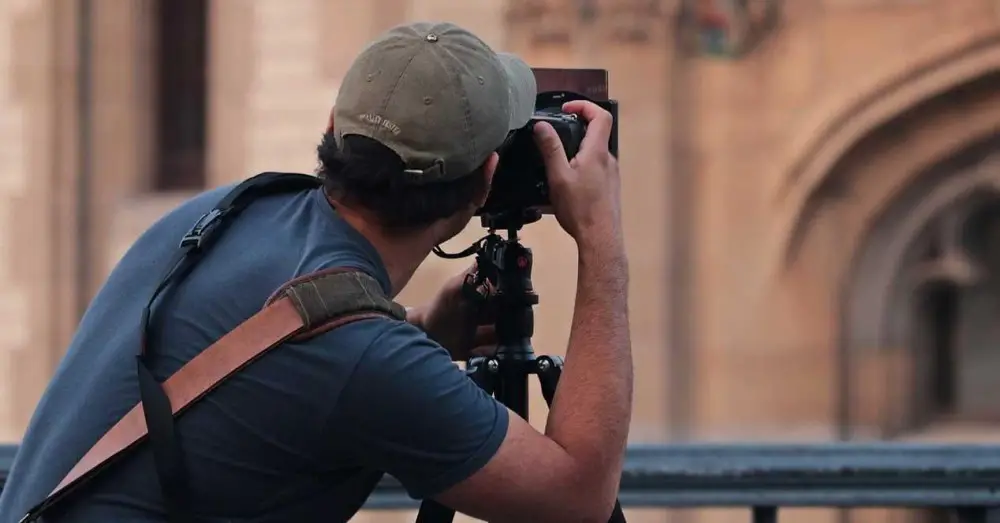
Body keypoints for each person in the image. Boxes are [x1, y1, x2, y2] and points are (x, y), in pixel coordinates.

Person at [0, 21, 631, 523]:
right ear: (486, 181)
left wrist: (423, 334)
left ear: (332, 128)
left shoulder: (224, 211)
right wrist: (601, 245)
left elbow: (287, 373)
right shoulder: (361, 357)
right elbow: (576, 499)